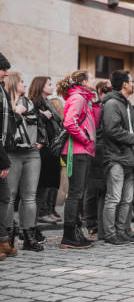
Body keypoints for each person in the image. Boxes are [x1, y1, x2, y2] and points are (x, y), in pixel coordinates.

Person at [56, 70, 101, 249]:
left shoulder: (85, 98)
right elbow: (69, 122)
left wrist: (95, 104)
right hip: (77, 151)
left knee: (78, 192)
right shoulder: (79, 98)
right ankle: (69, 236)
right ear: (82, 82)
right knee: (75, 193)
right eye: (91, 78)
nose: (94, 80)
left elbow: (93, 124)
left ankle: (75, 233)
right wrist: (85, 138)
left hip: (82, 151)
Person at [101, 70, 134, 245]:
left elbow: (129, 129)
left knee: (127, 199)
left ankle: (122, 231)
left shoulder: (126, 104)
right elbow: (112, 130)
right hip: (115, 157)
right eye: (132, 81)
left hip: (128, 157)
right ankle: (110, 234)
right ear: (125, 84)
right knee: (114, 197)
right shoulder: (113, 103)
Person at [4, 72, 44, 252]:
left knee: (30, 196)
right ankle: (7, 236)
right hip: (12, 153)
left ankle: (29, 236)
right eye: (21, 81)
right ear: (13, 83)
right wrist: (14, 113)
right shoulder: (5, 103)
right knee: (9, 196)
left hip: (32, 153)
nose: (25, 85)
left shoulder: (29, 103)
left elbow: (39, 124)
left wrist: (42, 140)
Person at [30, 77, 63, 227]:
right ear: (41, 86)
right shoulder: (35, 102)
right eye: (49, 84)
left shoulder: (47, 102)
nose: (52, 87)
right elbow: (30, 121)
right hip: (42, 151)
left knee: (43, 189)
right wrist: (42, 116)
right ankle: (31, 225)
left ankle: (34, 224)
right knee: (38, 190)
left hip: (50, 151)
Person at [85, 80, 111, 238]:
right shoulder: (94, 107)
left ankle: (98, 224)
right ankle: (91, 223)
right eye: (107, 89)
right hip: (94, 149)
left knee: (101, 189)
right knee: (92, 190)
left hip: (103, 150)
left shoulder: (103, 106)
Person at [0, 53, 17, 260]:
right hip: (0, 154)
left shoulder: (2, 90)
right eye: (3, 68)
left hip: (2, 150)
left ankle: (3, 241)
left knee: (4, 198)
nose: (5, 72)